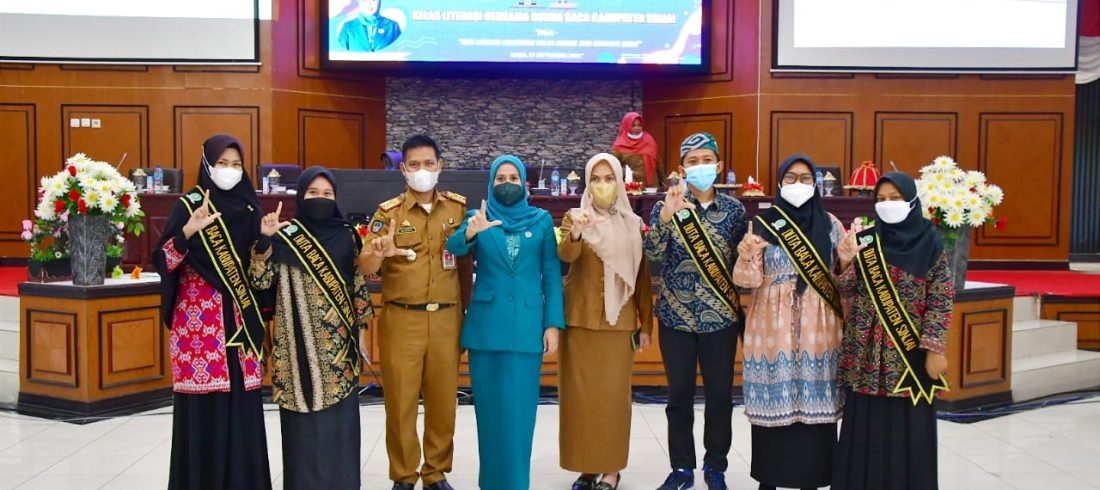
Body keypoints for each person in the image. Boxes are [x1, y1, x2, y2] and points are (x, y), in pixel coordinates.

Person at [154, 134, 277, 490]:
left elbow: (259, 278)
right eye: (222, 163)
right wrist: (187, 233)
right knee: (203, 417)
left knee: (242, 414)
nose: (229, 170)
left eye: (236, 164)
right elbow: (163, 261)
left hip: (240, 329)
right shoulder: (188, 206)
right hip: (200, 331)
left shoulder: (251, 210)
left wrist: (265, 239)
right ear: (207, 165)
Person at [248, 166, 375, 490]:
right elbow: (260, 281)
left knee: (339, 435)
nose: (321, 198)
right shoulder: (285, 236)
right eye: (313, 193)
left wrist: (362, 334)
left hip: (338, 357)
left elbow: (357, 286)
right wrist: (264, 239)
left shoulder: (346, 235)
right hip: (295, 352)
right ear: (301, 196)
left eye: (327, 193)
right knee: (302, 437)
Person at [446, 155, 565, 490]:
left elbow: (551, 276)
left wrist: (553, 324)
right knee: (490, 415)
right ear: (491, 183)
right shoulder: (478, 216)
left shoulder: (541, 220)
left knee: (520, 415)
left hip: (527, 329)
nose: (507, 183)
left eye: (513, 177)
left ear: (525, 183)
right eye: (500, 178)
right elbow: (452, 246)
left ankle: (516, 484)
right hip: (486, 330)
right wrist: (470, 232)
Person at [359, 134, 468, 490]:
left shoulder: (457, 210)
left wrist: (467, 314)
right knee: (401, 402)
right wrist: (380, 253)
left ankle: (435, 473)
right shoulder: (388, 213)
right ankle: (404, 476)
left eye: (429, 164)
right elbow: (364, 265)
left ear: (440, 166)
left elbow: (465, 266)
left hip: (446, 318)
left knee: (442, 402)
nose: (423, 171)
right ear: (403, 169)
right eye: (415, 165)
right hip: (403, 318)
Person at [733, 154, 847, 490]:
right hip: (771, 327)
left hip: (819, 328)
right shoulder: (763, 224)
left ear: (816, 184)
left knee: (815, 401)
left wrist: (847, 262)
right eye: (791, 178)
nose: (798, 184)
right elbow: (746, 281)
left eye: (805, 178)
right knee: (774, 399)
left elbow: (845, 280)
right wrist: (746, 257)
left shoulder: (830, 225)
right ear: (780, 183)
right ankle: (769, 479)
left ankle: (812, 478)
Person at [832, 172, 952, 490]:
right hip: (866, 354)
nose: (887, 204)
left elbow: (940, 298)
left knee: (907, 429)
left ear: (911, 201)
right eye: (881, 199)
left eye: (895, 198)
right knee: (865, 429)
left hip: (908, 355)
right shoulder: (867, 239)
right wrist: (844, 263)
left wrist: (935, 348)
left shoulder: (930, 242)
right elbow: (847, 289)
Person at [644, 132, 747, 490]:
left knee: (720, 397)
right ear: (682, 168)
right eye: (693, 161)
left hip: (721, 319)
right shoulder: (666, 206)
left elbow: (742, 265)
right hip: (676, 318)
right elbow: (652, 255)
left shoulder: (734, 211)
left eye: (707, 160)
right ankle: (682, 468)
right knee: (679, 397)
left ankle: (715, 466)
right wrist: (665, 219)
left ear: (719, 165)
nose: (700, 166)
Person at [558, 153, 654, 490]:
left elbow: (641, 278)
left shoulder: (633, 224)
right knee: (581, 400)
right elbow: (565, 256)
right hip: (580, 321)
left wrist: (646, 325)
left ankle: (611, 469)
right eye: (595, 179)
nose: (602, 185)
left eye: (609, 178)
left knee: (613, 400)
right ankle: (587, 467)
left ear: (619, 182)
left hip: (619, 324)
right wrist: (576, 233)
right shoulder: (574, 218)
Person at [610, 112, 660, 187]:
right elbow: (612, 166)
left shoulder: (649, 141)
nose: (637, 128)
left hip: (651, 187)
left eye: (639, 125)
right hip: (631, 187)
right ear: (626, 126)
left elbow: (658, 163)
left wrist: (665, 183)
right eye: (633, 125)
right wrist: (628, 173)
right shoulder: (619, 146)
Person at [337, 0, 402, 52]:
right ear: (359, 2)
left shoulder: (393, 27)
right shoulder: (348, 27)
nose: (369, 3)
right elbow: (340, 57)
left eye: (373, 0)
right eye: (364, 0)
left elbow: (401, 55)